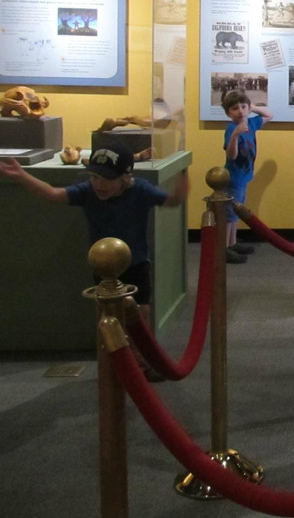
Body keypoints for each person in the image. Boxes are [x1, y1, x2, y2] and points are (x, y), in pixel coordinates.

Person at [0, 144, 189, 380]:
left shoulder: (140, 189)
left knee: (141, 314)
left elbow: (170, 201)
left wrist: (181, 190)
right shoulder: (87, 192)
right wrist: (22, 176)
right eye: (94, 177)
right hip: (104, 267)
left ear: (125, 177)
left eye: (106, 179)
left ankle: (144, 363)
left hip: (136, 263)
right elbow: (52, 194)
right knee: (107, 318)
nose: (99, 184)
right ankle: (113, 365)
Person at [222, 90, 273, 264]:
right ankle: (225, 248)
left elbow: (269, 115)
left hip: (244, 177)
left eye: (243, 107)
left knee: (237, 212)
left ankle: (233, 242)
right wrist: (236, 134)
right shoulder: (231, 129)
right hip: (234, 178)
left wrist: (251, 107)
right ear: (228, 112)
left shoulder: (252, 123)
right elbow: (231, 155)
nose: (241, 111)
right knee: (230, 214)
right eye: (235, 108)